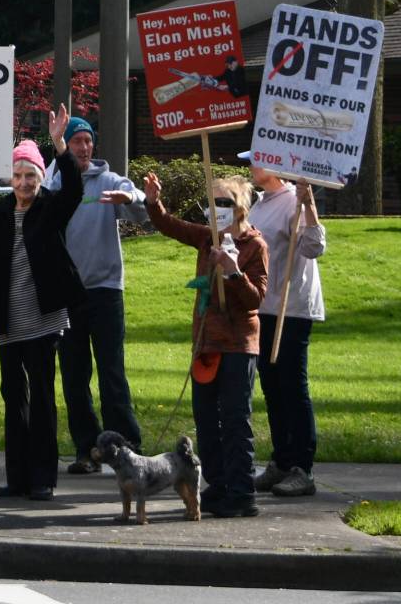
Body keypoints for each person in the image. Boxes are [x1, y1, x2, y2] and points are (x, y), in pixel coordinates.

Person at [0, 105, 84, 501]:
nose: (24, 183)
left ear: (41, 178)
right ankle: (17, 477)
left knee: (41, 396)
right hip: (9, 321)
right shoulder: (1, 211)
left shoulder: (51, 207)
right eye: (18, 175)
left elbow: (74, 189)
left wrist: (60, 146)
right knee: (13, 399)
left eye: (31, 176)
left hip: (43, 318)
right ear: (10, 178)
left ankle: (43, 479)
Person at [132, 172, 268, 518]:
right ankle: (218, 486)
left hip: (238, 345)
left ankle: (242, 492)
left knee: (236, 420)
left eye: (222, 202)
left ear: (239, 207)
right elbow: (169, 225)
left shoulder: (255, 245)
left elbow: (255, 300)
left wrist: (235, 272)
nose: (215, 209)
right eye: (210, 203)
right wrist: (153, 201)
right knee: (206, 420)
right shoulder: (207, 239)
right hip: (206, 344)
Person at [43, 117, 148, 473]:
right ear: (66, 146)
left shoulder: (109, 180)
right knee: (74, 375)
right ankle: (87, 450)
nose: (84, 148)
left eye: (88, 141)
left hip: (106, 291)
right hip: (68, 294)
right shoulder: (55, 182)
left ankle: (125, 445)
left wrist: (131, 196)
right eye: (77, 142)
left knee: (111, 371)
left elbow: (140, 204)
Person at [242, 152, 326, 497]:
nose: (251, 167)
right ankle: (281, 458)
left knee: (292, 385)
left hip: (292, 308)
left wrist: (309, 206)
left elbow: (314, 246)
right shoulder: (258, 204)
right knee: (272, 386)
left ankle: (302, 468)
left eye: (257, 160)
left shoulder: (294, 200)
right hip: (265, 305)